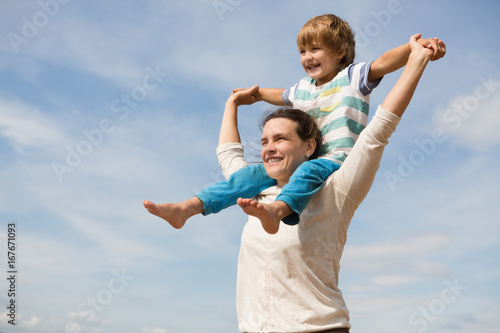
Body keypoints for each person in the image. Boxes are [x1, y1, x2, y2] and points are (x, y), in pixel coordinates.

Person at [219, 33, 443, 332]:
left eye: (281, 139)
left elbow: (379, 130)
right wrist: (232, 104)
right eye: (264, 142)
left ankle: (281, 209)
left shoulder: (337, 187)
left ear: (309, 147)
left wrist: (416, 60)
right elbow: (229, 155)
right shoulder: (256, 194)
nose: (269, 147)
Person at [143, 14, 445, 234]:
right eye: (303, 51)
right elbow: (281, 95)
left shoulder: (351, 76)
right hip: (300, 159)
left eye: (315, 49)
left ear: (339, 52)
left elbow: (383, 61)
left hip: (334, 160)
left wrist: (413, 50)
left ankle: (278, 210)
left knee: (309, 170)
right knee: (246, 177)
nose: (307, 57)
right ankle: (189, 207)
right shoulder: (302, 88)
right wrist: (256, 94)